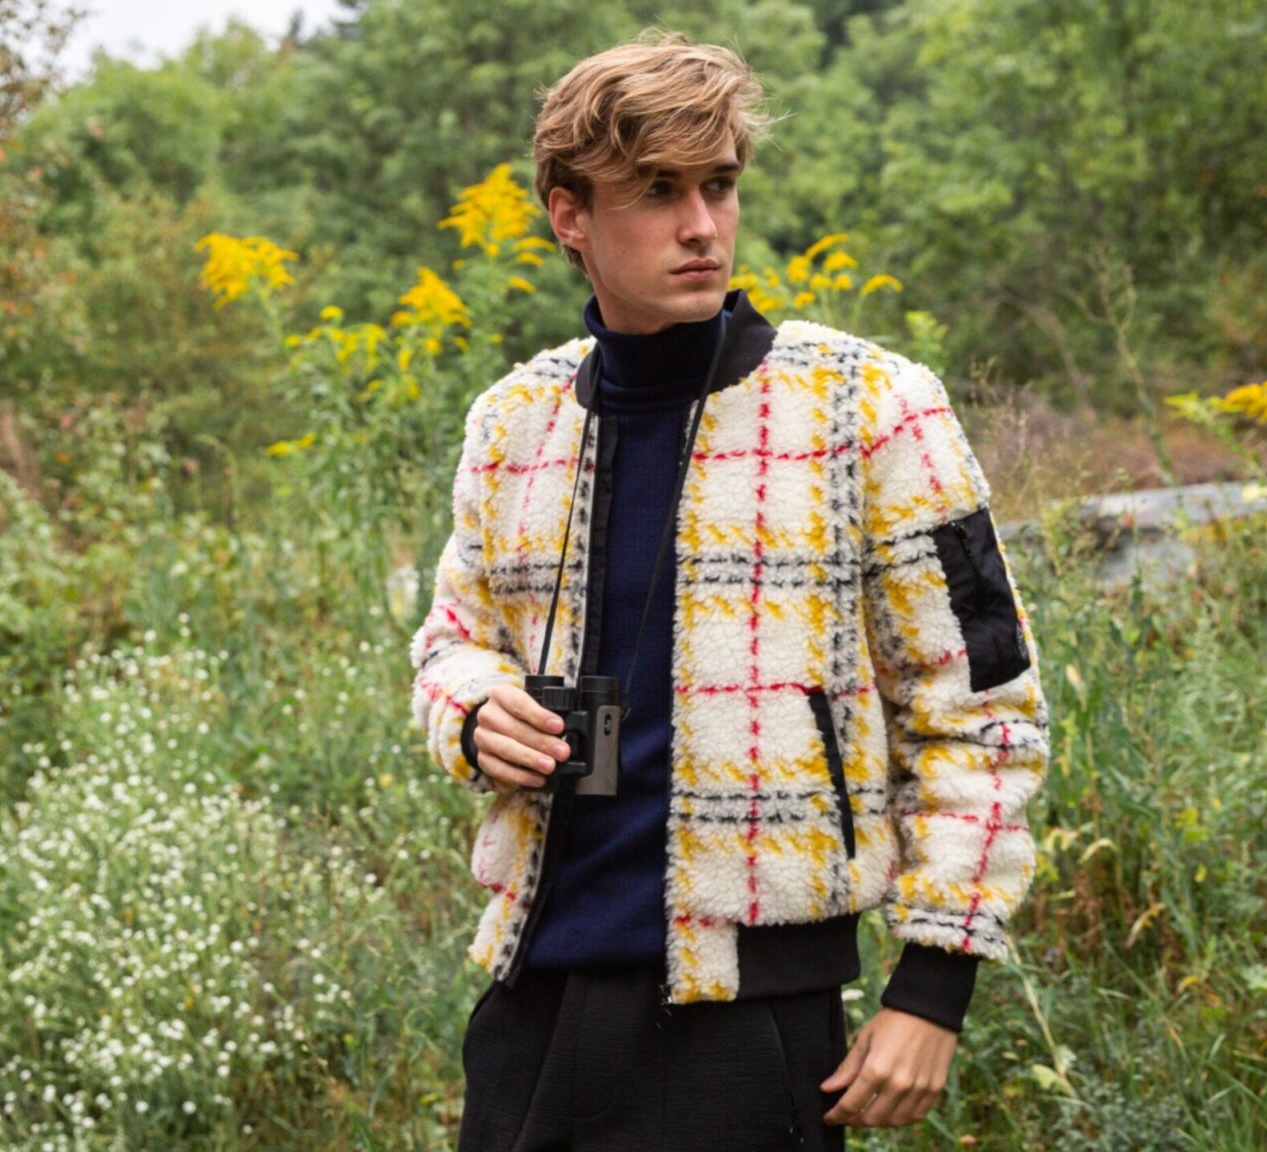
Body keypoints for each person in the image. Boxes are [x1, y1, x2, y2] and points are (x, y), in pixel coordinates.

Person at [410, 29, 1048, 1152]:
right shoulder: (513, 422)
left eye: (718, 185)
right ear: (569, 216)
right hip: (529, 1005)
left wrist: (933, 984)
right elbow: (451, 642)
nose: (701, 224)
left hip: (749, 1028)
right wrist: (469, 709)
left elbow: (984, 706)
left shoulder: (871, 407)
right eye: (657, 192)